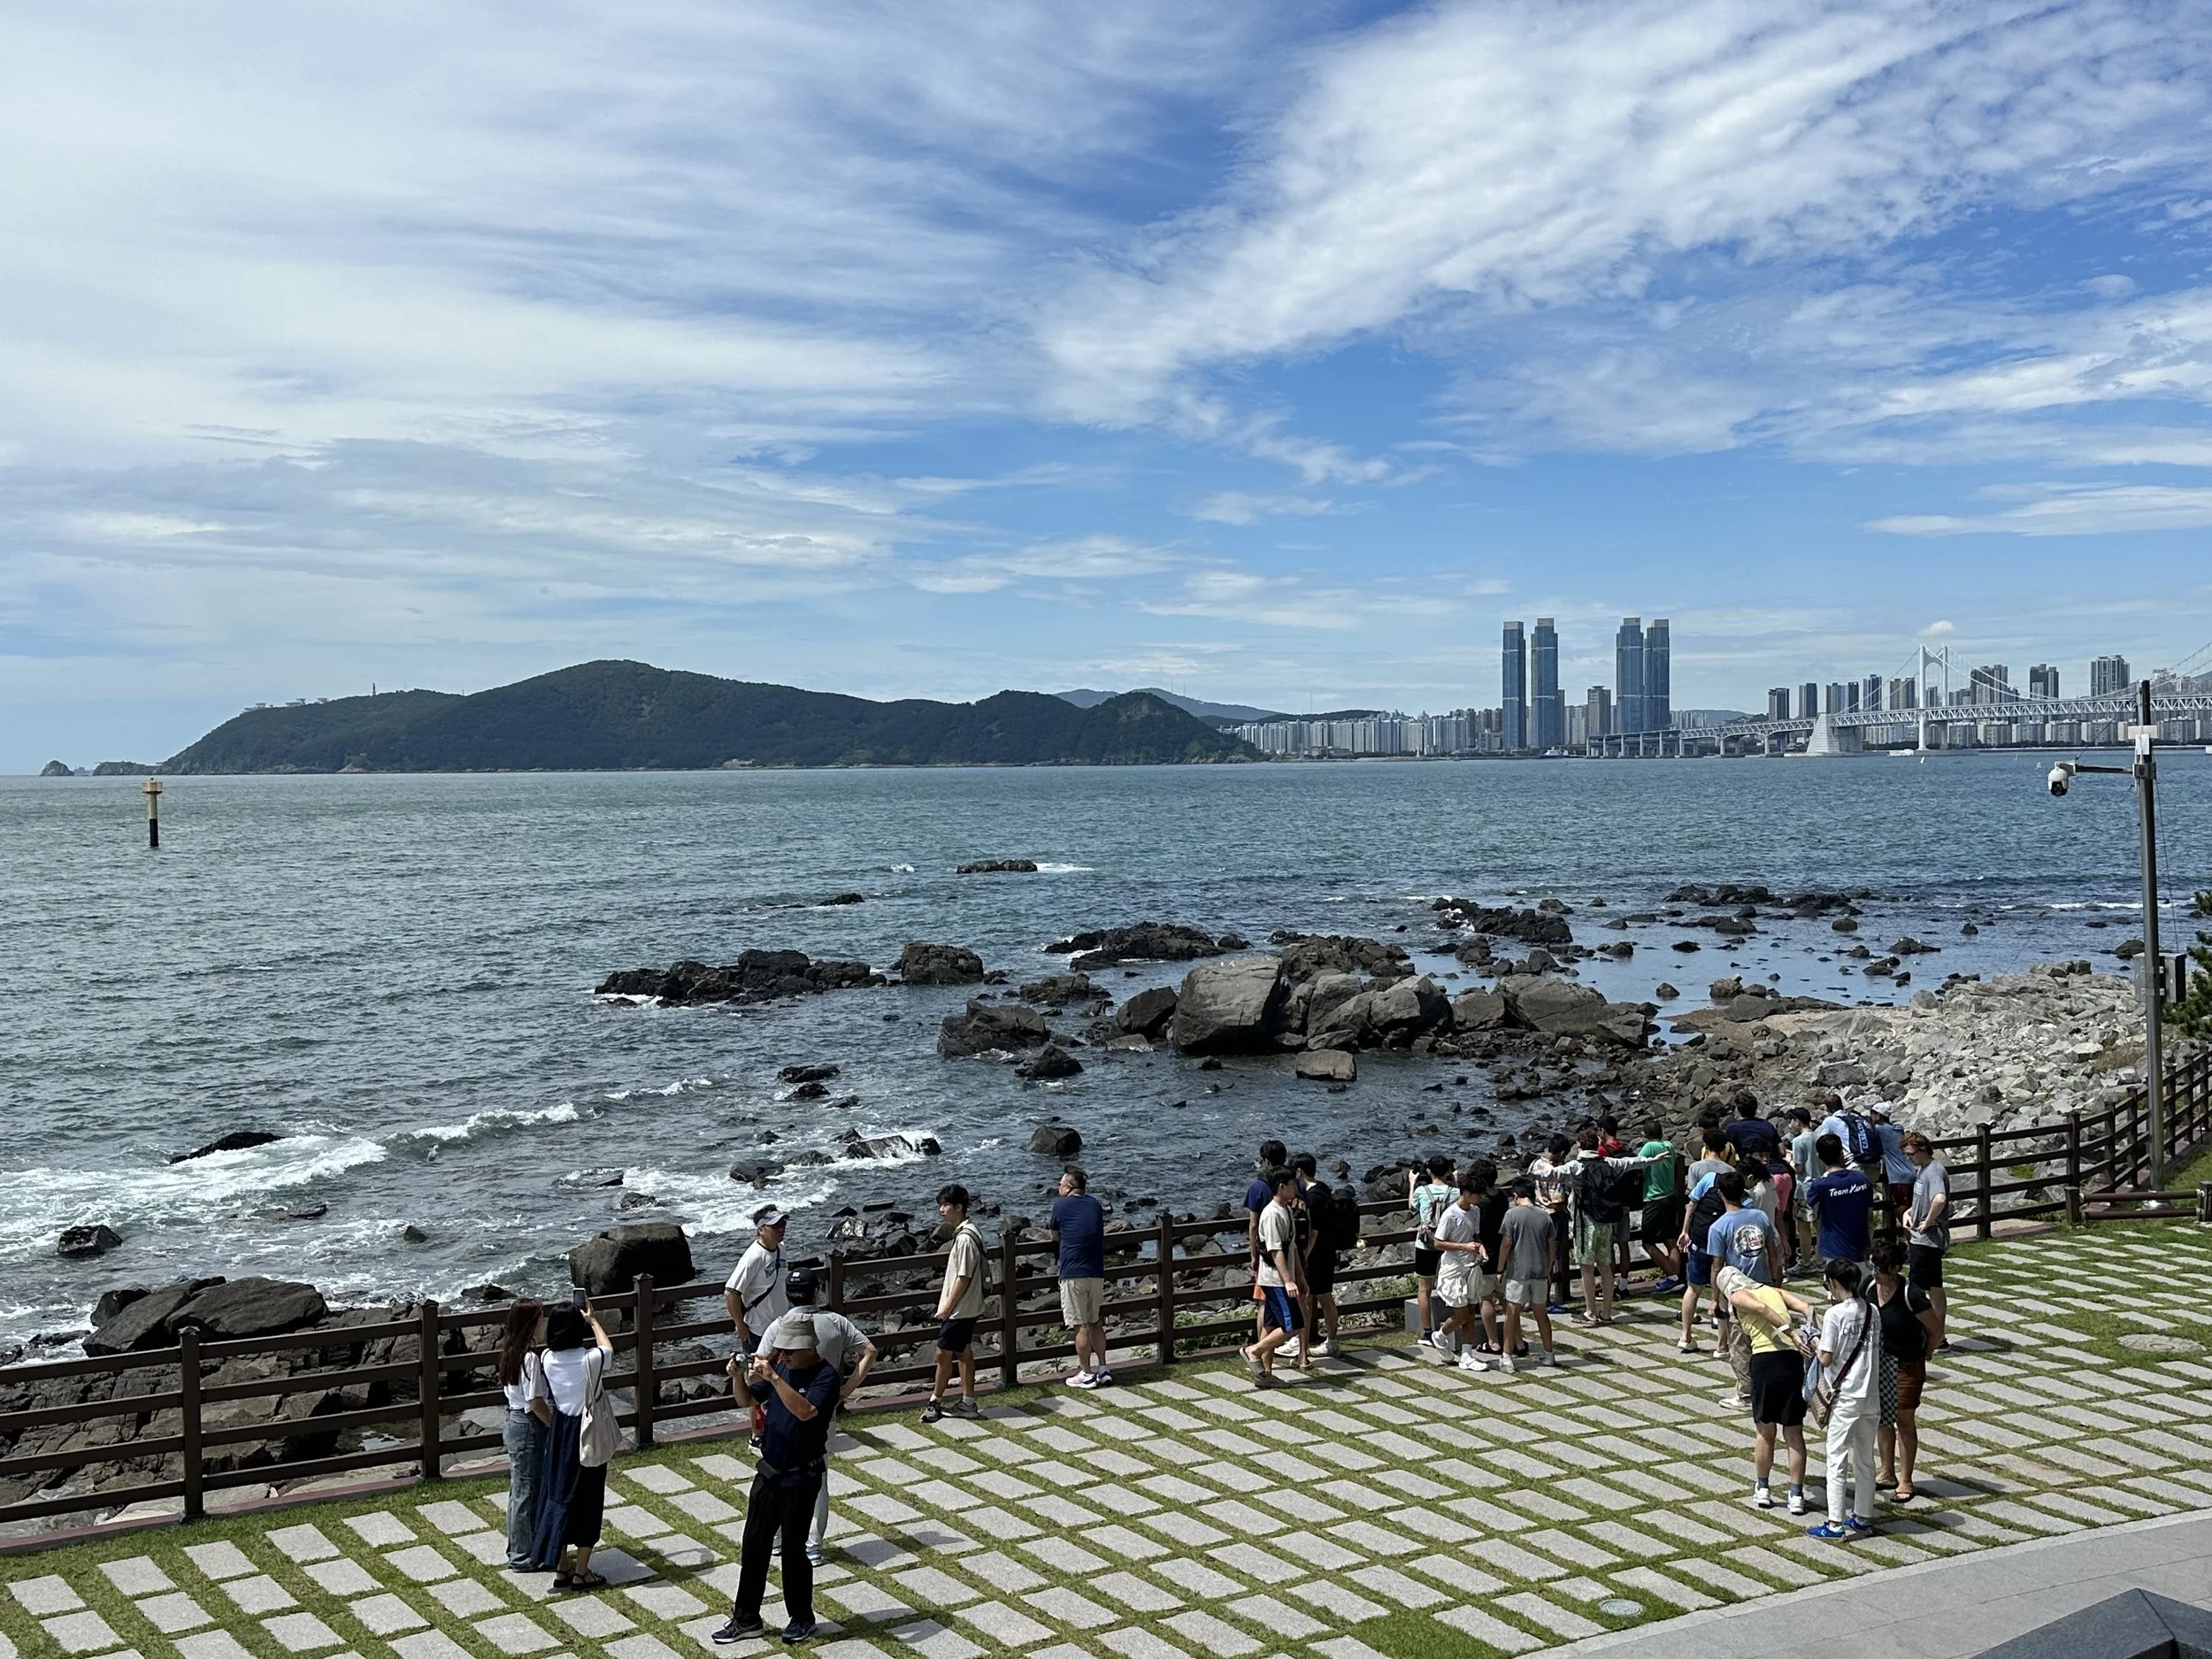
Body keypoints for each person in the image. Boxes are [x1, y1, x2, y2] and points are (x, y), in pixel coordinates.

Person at [711, 1320, 843, 1645]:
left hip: (803, 1476)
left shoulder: (825, 1376)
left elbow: (805, 1411)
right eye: (780, 1351)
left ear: (808, 1349)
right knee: (754, 1546)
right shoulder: (780, 1369)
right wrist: (738, 1377)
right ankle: (746, 1619)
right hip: (769, 1472)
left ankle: (802, 1618)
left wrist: (772, 1376)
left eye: (788, 1352)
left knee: (794, 1552)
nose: (782, 1356)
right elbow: (745, 1401)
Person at [769, 1267, 877, 1568]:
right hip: (823, 1412)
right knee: (820, 1477)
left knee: (778, 1474)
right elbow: (869, 1351)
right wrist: (845, 1390)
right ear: (817, 1292)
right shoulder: (836, 1323)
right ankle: (813, 1544)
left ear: (787, 1296)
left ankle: (778, 1537)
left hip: (785, 1414)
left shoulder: (780, 1325)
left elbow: (762, 1365)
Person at [1717, 1257, 1813, 1515]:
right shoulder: (1773, 1290)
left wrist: (1790, 1332)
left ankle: (1762, 1488)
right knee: (1794, 1432)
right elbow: (1806, 1306)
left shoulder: (1738, 1296)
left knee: (1765, 1431)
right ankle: (1796, 1494)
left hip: (1766, 1362)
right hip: (1793, 1362)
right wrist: (1811, 1329)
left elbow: (1760, 1310)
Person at [529, 1300, 614, 1588]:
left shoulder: (547, 1359)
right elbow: (608, 1350)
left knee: (557, 1495)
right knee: (589, 1498)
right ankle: (582, 1572)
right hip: (586, 1433)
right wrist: (593, 1321)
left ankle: (561, 1567)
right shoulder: (589, 1358)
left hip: (560, 1431)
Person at [1807, 1260, 1879, 1541]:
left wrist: (1812, 1342)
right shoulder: (1872, 1311)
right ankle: (1862, 1516)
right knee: (1864, 1457)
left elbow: (1826, 1357)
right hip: (1870, 1393)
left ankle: (1835, 1522)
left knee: (1836, 1458)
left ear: (1834, 1284)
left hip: (1845, 1394)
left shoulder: (1836, 1314)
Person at [1867, 1238, 1937, 1505]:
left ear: (1896, 1268)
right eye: (1873, 1268)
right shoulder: (1870, 1288)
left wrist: (1926, 1352)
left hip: (1906, 1363)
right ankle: (1887, 1472)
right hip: (1877, 1363)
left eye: (1881, 1269)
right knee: (1881, 1418)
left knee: (1903, 1419)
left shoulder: (1912, 1295)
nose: (1876, 1274)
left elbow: (1935, 1328)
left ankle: (1906, 1479)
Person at [1571, 1129, 1655, 1325]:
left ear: (1579, 1145)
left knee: (1586, 1267)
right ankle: (1607, 1313)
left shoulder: (1577, 1166)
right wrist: (1654, 1160)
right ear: (1597, 1143)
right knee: (1606, 1267)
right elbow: (1631, 1163)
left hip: (1586, 1221)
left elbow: (1555, 1174)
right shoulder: (1607, 1163)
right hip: (1606, 1221)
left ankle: (1590, 1312)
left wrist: (1536, 1174)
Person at [1701, 1171, 1769, 1404]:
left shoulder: (1718, 1227)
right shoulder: (1760, 1217)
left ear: (1720, 1193)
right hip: (1764, 1285)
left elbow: (1716, 1267)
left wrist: (1715, 1299)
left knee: (1740, 1346)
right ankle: (1765, 1386)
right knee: (1766, 1340)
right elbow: (1775, 1251)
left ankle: (1747, 1394)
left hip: (1738, 1291)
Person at [921, 1184, 987, 1423]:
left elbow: (964, 1277)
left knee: (943, 1353)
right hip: (967, 1307)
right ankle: (968, 1401)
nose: (941, 1210)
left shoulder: (965, 1239)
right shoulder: (968, 1233)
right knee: (964, 1352)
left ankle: (935, 1401)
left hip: (960, 1309)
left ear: (959, 1208)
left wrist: (947, 1308)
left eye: (946, 1205)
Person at [1048, 1165, 1109, 1386]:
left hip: (1073, 1272)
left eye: (1061, 1184)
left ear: (1069, 1187)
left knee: (1079, 1325)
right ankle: (1103, 1368)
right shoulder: (1095, 1204)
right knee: (1094, 1321)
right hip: (1096, 1271)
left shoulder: (1061, 1205)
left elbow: (1054, 1236)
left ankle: (1086, 1373)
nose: (1058, 1187)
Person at [1240, 1168, 1301, 1387]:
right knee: (1293, 1325)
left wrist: (1299, 1275)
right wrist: (1289, 1280)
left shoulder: (1285, 1210)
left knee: (1269, 1326)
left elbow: (1291, 1248)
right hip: (1275, 1279)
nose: (1296, 1187)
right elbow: (1276, 1251)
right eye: (1292, 1184)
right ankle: (1253, 1351)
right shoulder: (1272, 1213)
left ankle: (1265, 1374)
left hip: (1282, 1277)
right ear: (1281, 1186)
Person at [1676, 1129, 1734, 1354]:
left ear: (1704, 1145)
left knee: (1693, 1287)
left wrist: (1686, 1230)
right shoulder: (1730, 1171)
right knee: (1721, 1287)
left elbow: (1692, 1201)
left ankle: (1685, 1335)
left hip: (1700, 1233)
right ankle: (1722, 1342)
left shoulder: (1696, 1168)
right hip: (1721, 1234)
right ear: (1725, 1147)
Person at [1427, 1170, 1494, 1370]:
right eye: (1477, 1195)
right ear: (1466, 1193)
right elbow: (1438, 1243)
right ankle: (1440, 1335)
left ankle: (1467, 1354)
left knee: (1471, 1309)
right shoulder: (1450, 1214)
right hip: (1454, 1267)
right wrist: (1464, 1247)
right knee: (1461, 1312)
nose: (1479, 1198)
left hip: (1471, 1266)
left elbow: (1476, 1236)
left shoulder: (1475, 1211)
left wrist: (1481, 1249)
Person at [497, 1299, 546, 1571]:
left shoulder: (510, 1353)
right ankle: (522, 1556)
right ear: (531, 1323)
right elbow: (535, 1402)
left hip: (513, 1421)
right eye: (540, 1318)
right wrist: (553, 1425)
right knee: (526, 1491)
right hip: (527, 1425)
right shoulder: (530, 1359)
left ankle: (517, 1549)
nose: (544, 1323)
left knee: (518, 1490)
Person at [1496, 1178, 1556, 1370]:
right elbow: (1551, 1246)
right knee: (1541, 1313)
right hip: (1540, 1271)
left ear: (1515, 1196)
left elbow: (1506, 1244)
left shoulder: (1511, 1215)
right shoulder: (1545, 1216)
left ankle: (1507, 1356)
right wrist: (1548, 1269)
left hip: (1518, 1272)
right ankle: (1548, 1354)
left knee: (1512, 1313)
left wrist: (1500, 1268)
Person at [1901, 1132, 1951, 1351]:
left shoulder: (1934, 1172)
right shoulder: (1922, 1170)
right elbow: (1924, 1199)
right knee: (1935, 1287)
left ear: (1922, 1150)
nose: (1909, 1158)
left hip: (1927, 1241)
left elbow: (1939, 1198)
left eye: (1911, 1154)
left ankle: (1928, 1335)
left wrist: (1928, 1221)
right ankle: (1937, 1335)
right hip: (1921, 1238)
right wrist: (1910, 1212)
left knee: (1916, 1290)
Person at [1293, 1152, 1342, 1358]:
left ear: (1299, 1172)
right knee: (1319, 1297)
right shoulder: (1323, 1189)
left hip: (1317, 1255)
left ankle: (1323, 1341)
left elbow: (1314, 1231)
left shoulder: (1312, 1198)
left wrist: (1303, 1256)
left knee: (1316, 1298)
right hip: (1327, 1251)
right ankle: (1313, 1339)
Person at [1804, 1133, 1873, 1274]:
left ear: (1819, 1156)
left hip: (1834, 1249)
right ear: (1842, 1153)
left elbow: (1809, 1202)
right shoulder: (1862, 1179)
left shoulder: (1820, 1185)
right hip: (1862, 1246)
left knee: (1839, 1291)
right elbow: (1870, 1217)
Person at [1409, 1155, 1457, 1340]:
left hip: (1425, 1243)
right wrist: (1455, 1179)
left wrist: (1413, 1183)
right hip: (1447, 1243)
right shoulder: (1454, 1192)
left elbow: (1412, 1208)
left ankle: (1427, 1332)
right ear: (1447, 1171)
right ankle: (1452, 1324)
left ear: (1428, 1171)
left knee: (1424, 1289)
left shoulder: (1422, 1191)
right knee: (1451, 1284)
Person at [1247, 1139, 1288, 1341]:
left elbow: (1253, 1225)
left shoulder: (1259, 1187)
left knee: (1264, 1302)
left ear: (1265, 1161)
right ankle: (1300, 1350)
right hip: (1293, 1249)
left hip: (1269, 1253)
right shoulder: (1290, 1183)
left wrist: (1253, 1254)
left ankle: (1261, 1347)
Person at [1529, 1135, 1576, 1313]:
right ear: (1562, 1153)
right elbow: (1558, 1201)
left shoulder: (1535, 1164)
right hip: (1553, 1217)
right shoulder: (1556, 1172)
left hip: (1535, 1215)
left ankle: (1532, 1298)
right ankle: (1545, 1300)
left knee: (1537, 1259)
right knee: (1550, 1260)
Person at [1635, 1122, 1683, 1293]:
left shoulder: (1649, 1147)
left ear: (1646, 1134)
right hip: (1669, 1197)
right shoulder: (1669, 1146)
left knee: (1647, 1242)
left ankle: (1672, 1277)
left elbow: (1636, 1163)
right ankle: (1676, 1280)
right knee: (1670, 1240)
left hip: (1654, 1199)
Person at [1785, 1107, 1820, 1273]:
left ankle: (1806, 1261)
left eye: (1791, 1120)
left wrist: (1788, 1160)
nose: (1790, 1124)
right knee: (1820, 1225)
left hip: (1804, 1187)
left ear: (1797, 1121)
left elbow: (1799, 1168)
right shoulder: (1818, 1136)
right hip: (1820, 1184)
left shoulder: (1798, 1141)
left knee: (1803, 1226)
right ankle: (1821, 1260)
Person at [1874, 1107, 1916, 1231]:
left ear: (1879, 1116)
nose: (1870, 1116)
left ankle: (1912, 1241)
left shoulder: (1879, 1129)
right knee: (1913, 1208)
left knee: (1902, 1211)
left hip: (1898, 1178)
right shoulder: (1898, 1128)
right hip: (1912, 1173)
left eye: (1873, 1113)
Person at [1724, 1095, 1780, 1166]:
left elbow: (1726, 1152)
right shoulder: (1767, 1125)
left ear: (1738, 1110)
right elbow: (1782, 1152)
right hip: (1774, 1166)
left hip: (1750, 1168)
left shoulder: (1732, 1128)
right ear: (1756, 1108)